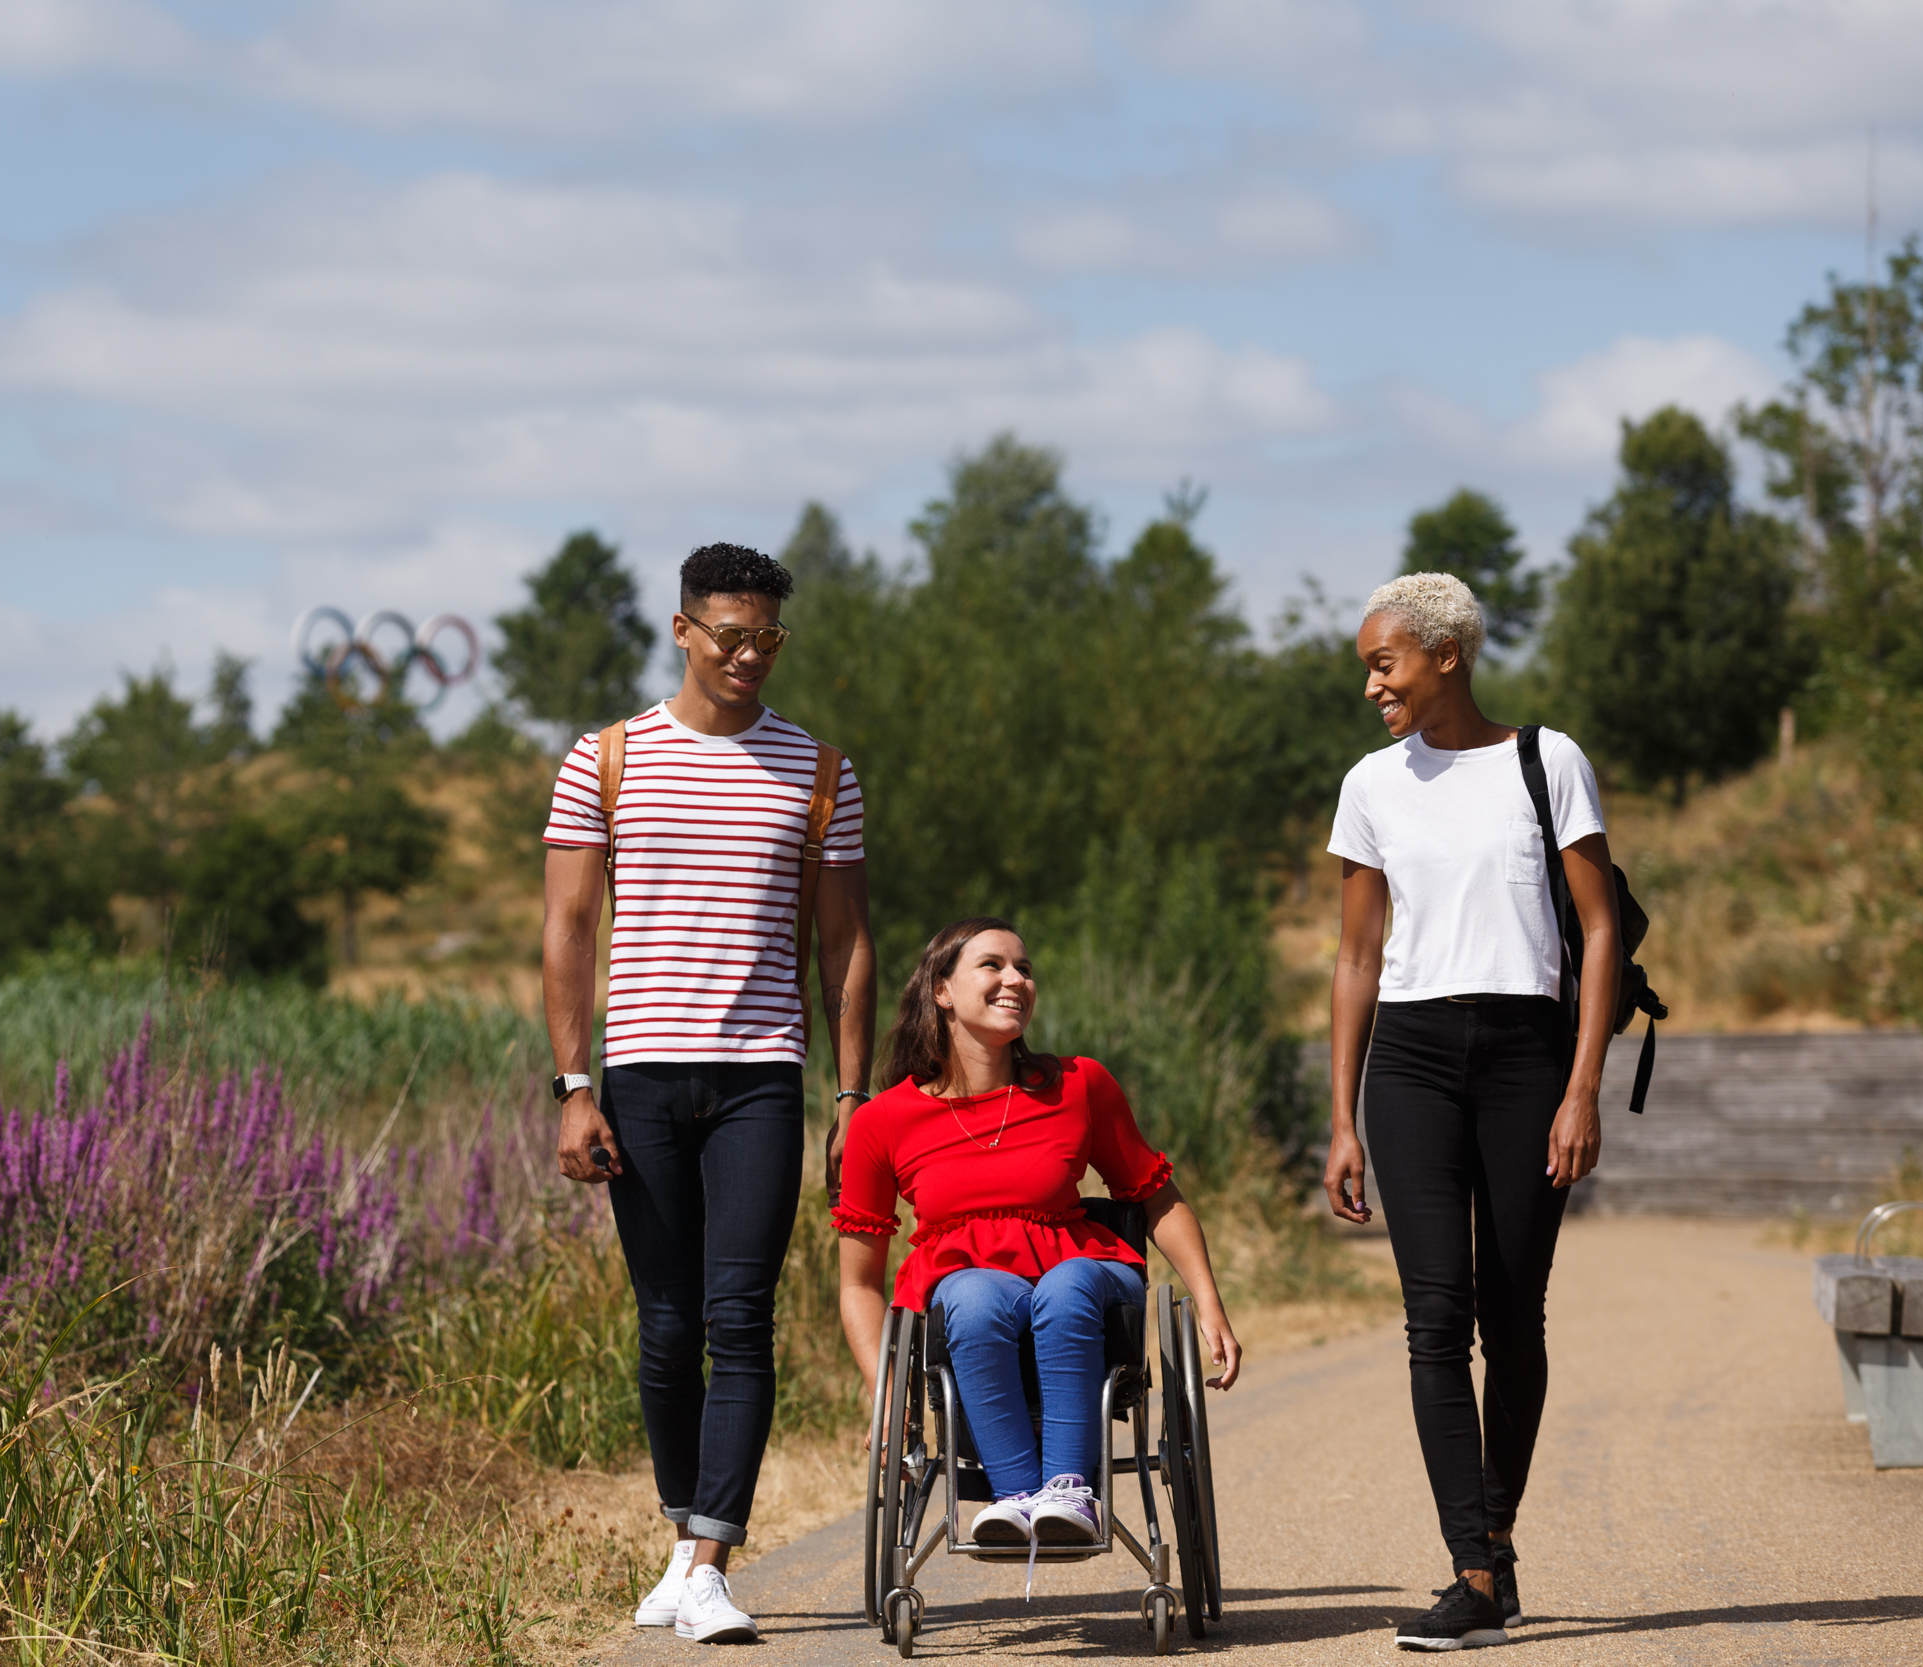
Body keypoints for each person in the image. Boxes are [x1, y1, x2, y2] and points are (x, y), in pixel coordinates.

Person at [541, 542, 876, 1645]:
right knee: (666, 1325)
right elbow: (568, 931)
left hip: (760, 1082)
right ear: (682, 629)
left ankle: (708, 1557)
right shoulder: (606, 759)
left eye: (767, 639)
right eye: (728, 636)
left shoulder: (822, 771)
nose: (747, 656)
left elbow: (846, 946)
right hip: (636, 1073)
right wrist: (572, 1085)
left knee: (742, 1317)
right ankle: (685, 1537)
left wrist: (851, 1096)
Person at [1321, 573, 1620, 1653]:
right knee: (1434, 1316)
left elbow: (1598, 934)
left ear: (1446, 654)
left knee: (1514, 1313)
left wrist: (1581, 1084)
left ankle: (1495, 1534)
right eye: (1367, 665)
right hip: (1407, 1054)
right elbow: (1356, 955)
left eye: (1384, 662)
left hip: (1525, 1055)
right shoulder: (1370, 784)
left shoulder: (1547, 760)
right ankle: (1473, 1566)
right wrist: (1343, 1113)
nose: (1371, 685)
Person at [833, 917, 1238, 1556]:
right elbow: (857, 1281)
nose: (1016, 979)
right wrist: (882, 1394)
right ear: (941, 990)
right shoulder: (883, 1121)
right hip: (967, 1294)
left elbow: (1156, 1195)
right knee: (971, 1295)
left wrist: (1209, 1302)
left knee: (1067, 1284)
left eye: (1024, 968)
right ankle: (1018, 1501)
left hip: (1084, 1270)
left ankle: (1071, 1494)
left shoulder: (1080, 1084)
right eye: (992, 965)